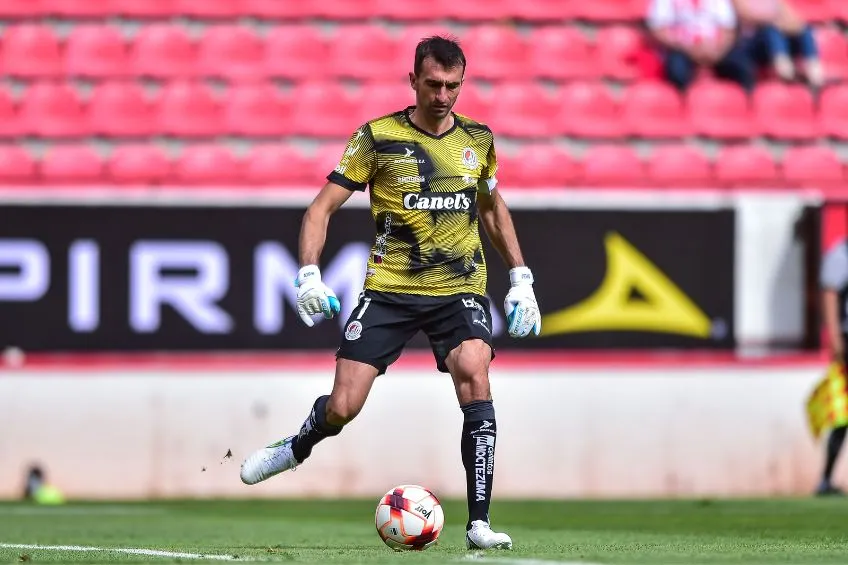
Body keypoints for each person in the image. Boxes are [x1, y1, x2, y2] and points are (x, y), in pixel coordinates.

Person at [239, 35, 541, 550]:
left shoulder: (479, 140)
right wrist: (308, 273)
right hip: (391, 288)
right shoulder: (377, 138)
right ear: (413, 80)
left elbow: (492, 208)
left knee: (475, 373)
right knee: (342, 407)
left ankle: (479, 523)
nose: (443, 95)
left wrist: (521, 277)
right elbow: (319, 209)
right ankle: (297, 444)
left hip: (459, 288)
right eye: (433, 84)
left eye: (453, 86)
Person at [646, 0, 757, 92]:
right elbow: (659, 29)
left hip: (715, 50)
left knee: (743, 66)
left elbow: (728, 29)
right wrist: (690, 49)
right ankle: (682, 109)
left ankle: (747, 107)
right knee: (676, 68)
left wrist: (718, 51)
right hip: (682, 49)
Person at [816, 239, 848, 495]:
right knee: (841, 416)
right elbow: (830, 298)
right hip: (847, 343)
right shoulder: (839, 256)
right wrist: (836, 342)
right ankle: (825, 479)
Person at [732, 0, 823, 88]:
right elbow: (744, 15)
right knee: (771, 30)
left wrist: (790, 24)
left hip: (773, 38)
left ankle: (814, 71)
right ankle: (784, 70)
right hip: (750, 43)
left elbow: (792, 19)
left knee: (804, 29)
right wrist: (774, 20)